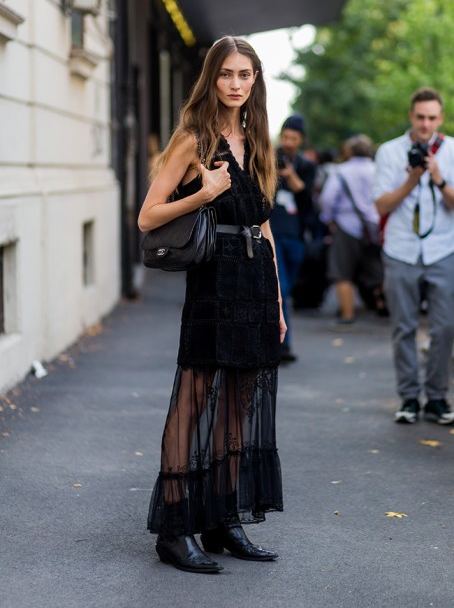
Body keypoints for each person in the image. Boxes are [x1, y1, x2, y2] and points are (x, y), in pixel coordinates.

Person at [138, 37, 285, 574]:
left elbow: (263, 225)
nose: (235, 83)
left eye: (245, 74)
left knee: (238, 406)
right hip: (213, 281)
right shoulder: (193, 138)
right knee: (195, 400)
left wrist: (277, 299)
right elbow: (147, 216)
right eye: (226, 73)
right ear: (212, 78)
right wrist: (204, 193)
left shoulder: (258, 139)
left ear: (255, 80)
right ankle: (175, 529)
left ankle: (222, 519)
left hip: (255, 283)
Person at [373, 87, 454, 425]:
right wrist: (411, 181)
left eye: (432, 118)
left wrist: (438, 178)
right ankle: (408, 397)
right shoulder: (389, 151)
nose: (425, 124)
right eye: (420, 117)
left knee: (444, 327)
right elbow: (381, 205)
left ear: (441, 118)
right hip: (401, 248)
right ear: (411, 116)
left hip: (443, 249)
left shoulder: (451, 150)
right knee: (403, 327)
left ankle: (436, 397)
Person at [319, 135, 385, 323]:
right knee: (378, 271)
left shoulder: (341, 171)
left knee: (342, 272)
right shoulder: (378, 170)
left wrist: (328, 219)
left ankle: (347, 315)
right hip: (374, 228)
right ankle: (385, 307)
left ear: (349, 151)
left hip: (346, 226)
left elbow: (327, 198)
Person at [270, 114, 315, 361]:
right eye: (285, 137)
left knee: (287, 288)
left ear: (301, 140)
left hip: (295, 234)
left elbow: (306, 196)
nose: (288, 142)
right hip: (273, 231)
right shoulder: (268, 157)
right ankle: (282, 345)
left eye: (293, 139)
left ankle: (280, 342)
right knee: (281, 288)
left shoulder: (306, 165)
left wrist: (290, 175)